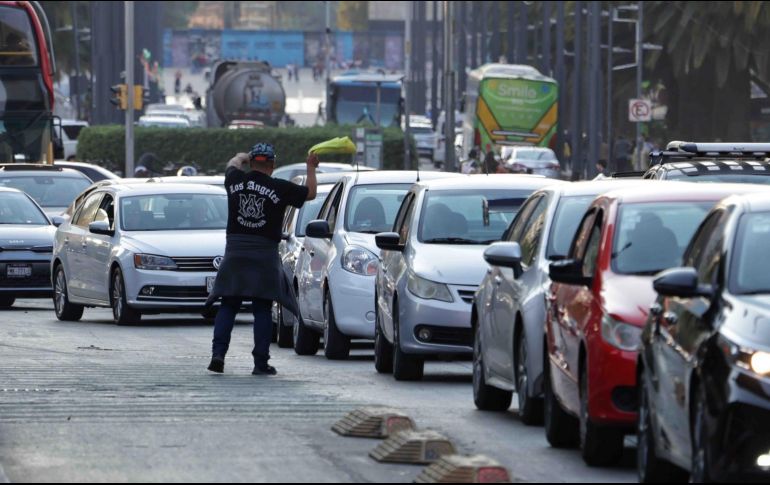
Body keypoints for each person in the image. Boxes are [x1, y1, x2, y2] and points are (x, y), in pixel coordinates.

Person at [205, 143, 319, 376]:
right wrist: (310, 167)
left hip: (235, 251)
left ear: (252, 162)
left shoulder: (234, 180)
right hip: (264, 253)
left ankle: (218, 355)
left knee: (229, 303)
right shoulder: (278, 187)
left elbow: (231, 164)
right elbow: (310, 193)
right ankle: (260, 363)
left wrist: (241, 156)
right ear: (272, 165)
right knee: (262, 308)